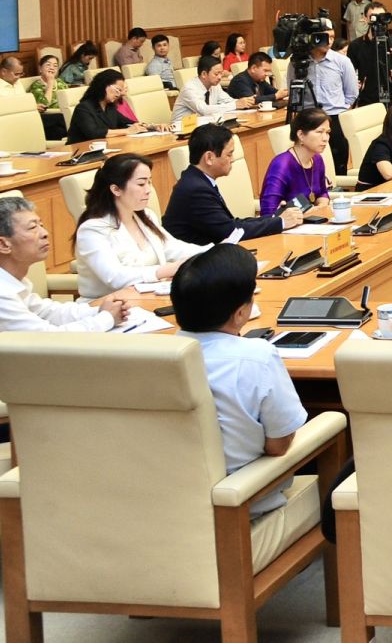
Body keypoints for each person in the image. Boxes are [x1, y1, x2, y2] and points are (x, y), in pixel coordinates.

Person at [0, 197, 127, 442]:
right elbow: (48, 343)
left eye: (41, 224)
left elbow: (47, 312)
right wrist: (105, 320)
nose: (44, 233)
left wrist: (98, 310)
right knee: (97, 405)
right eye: (32, 228)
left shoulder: (3, 279)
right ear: (3, 244)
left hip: (3, 398)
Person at [170, 243, 310, 515]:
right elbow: (279, 445)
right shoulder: (257, 357)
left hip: (172, 505)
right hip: (243, 504)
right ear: (241, 313)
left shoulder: (155, 357)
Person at [73, 153, 206, 298]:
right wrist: (165, 270)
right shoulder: (92, 230)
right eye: (141, 184)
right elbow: (114, 277)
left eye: (149, 182)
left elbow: (174, 248)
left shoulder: (146, 216)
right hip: (105, 305)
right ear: (116, 189)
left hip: (147, 298)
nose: (148, 190)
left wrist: (214, 251)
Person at [165, 123, 302, 242]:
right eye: (229, 154)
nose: (233, 159)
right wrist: (280, 222)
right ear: (209, 158)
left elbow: (231, 223)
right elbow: (231, 232)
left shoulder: (198, 180)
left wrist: (273, 218)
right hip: (193, 260)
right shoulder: (196, 189)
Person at [260, 109, 335, 218]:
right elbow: (268, 212)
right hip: (286, 226)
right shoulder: (282, 165)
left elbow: (322, 192)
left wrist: (322, 205)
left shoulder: (317, 159)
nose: (325, 138)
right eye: (319, 132)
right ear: (301, 135)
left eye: (327, 132)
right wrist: (303, 213)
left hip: (313, 221)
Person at [304, 31, 358, 174]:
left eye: (332, 37)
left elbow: (352, 93)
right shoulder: (299, 62)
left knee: (338, 164)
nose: (329, 41)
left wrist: (342, 109)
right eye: (324, 36)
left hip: (335, 118)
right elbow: (294, 90)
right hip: (308, 119)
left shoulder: (342, 61)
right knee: (308, 163)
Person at [67, 69, 138, 142]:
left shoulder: (110, 107)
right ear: (104, 86)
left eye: (120, 91)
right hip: (82, 147)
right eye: (117, 90)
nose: (118, 94)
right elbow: (93, 133)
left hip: (106, 145)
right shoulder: (83, 108)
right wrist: (127, 131)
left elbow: (127, 123)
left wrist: (140, 126)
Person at [173, 55, 253, 120]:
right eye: (216, 74)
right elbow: (204, 110)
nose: (220, 77)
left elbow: (228, 101)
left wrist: (246, 102)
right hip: (181, 129)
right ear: (204, 74)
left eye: (221, 73)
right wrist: (236, 104)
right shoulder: (189, 89)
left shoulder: (215, 85)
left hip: (205, 124)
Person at [24, 53, 68, 140]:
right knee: (59, 131)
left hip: (65, 115)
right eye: (48, 65)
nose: (52, 68)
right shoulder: (36, 86)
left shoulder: (61, 83)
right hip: (49, 119)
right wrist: (50, 83)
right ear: (40, 69)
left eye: (55, 66)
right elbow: (44, 105)